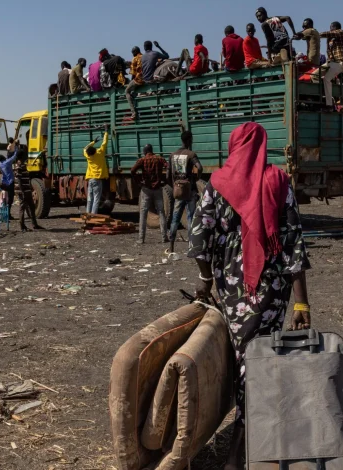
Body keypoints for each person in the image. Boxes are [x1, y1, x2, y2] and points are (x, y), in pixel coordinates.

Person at [189, 122, 310, 470]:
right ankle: (243, 448)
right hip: (272, 292)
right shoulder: (278, 181)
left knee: (246, 361)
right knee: (259, 361)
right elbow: (293, 245)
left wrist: (205, 281)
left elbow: (200, 240)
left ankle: (238, 452)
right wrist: (300, 301)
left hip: (232, 290)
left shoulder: (216, 184)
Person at [168, 131, 203, 254]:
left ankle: (171, 247)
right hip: (190, 190)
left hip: (178, 189)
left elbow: (168, 174)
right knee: (190, 218)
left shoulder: (173, 155)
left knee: (175, 219)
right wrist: (196, 178)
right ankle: (190, 246)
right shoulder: (191, 154)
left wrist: (175, 184)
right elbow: (199, 167)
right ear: (189, 140)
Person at [131, 144, 169, 244]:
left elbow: (132, 170)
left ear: (145, 151)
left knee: (143, 213)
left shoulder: (142, 160)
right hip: (158, 189)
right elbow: (168, 167)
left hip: (146, 189)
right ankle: (164, 237)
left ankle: (141, 238)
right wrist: (166, 180)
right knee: (161, 212)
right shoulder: (160, 159)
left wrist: (139, 182)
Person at [316, 22, 343, 111]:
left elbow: (331, 33)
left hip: (341, 62)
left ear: (336, 27)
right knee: (315, 74)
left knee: (326, 78)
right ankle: (320, 97)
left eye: (331, 27)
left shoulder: (342, 33)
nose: (330, 29)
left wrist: (317, 35)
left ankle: (329, 105)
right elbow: (329, 53)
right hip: (332, 62)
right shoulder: (330, 40)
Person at [83, 126, 109, 214]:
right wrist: (106, 132)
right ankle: (93, 216)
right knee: (96, 199)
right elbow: (104, 143)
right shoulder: (100, 153)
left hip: (90, 179)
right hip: (97, 179)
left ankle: (87, 214)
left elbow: (85, 148)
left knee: (90, 199)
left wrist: (92, 142)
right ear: (95, 150)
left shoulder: (88, 156)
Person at [0, 150, 18, 220]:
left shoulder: (0, 164)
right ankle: (8, 214)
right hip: (10, 182)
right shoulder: (7, 162)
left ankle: (5, 214)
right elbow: (14, 157)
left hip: (4, 183)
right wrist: (16, 148)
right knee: (10, 199)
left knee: (4, 199)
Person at [125, 47, 144, 119]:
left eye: (132, 52)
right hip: (147, 78)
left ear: (135, 52)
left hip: (139, 79)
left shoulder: (135, 58)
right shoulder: (143, 56)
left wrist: (131, 82)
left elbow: (133, 73)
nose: (132, 54)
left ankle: (133, 112)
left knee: (127, 91)